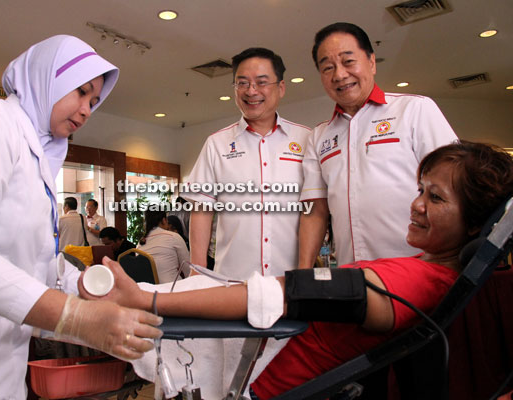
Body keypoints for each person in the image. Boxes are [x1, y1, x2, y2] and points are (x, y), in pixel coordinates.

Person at [88, 141, 513, 399]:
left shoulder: (414, 282)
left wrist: (147, 298)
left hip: (278, 390)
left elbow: (275, 295)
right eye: (420, 190)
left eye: (436, 198)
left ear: (475, 223)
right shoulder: (428, 270)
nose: (417, 204)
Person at [0, 35, 162, 399]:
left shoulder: (40, 162)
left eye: (94, 101)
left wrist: (87, 287)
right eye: (80, 92)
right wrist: (74, 318)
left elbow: (28, 267)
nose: (86, 110)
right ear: (48, 77)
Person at [297, 22, 458, 269]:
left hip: (419, 267)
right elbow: (316, 211)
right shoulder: (319, 136)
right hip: (354, 275)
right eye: (327, 67)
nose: (339, 75)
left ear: (371, 62)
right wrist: (304, 272)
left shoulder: (414, 110)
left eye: (348, 61)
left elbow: (455, 187)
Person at [186, 47, 312, 280]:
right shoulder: (217, 144)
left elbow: (316, 209)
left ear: (281, 88)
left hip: (290, 281)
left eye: (261, 82)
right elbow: (202, 210)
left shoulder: (307, 139)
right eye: (242, 83)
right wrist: (198, 271)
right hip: (233, 281)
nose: (251, 91)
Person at [137, 210, 190, 283]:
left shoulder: (140, 243)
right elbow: (187, 268)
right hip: (172, 288)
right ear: (164, 220)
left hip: (149, 290)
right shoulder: (173, 237)